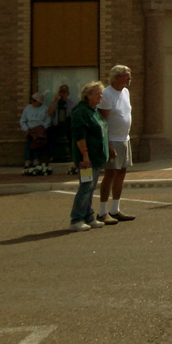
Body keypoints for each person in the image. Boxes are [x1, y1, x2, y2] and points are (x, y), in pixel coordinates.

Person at [68, 81, 110, 231]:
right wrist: (85, 156)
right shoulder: (80, 111)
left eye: (101, 94)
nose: (100, 96)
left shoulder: (94, 111)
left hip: (97, 158)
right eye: (97, 94)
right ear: (88, 95)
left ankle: (89, 216)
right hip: (87, 160)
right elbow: (79, 135)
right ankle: (76, 219)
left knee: (91, 187)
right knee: (86, 187)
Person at [98, 65, 136, 223]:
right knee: (110, 174)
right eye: (126, 76)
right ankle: (102, 211)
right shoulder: (107, 94)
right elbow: (102, 121)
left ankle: (115, 209)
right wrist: (108, 144)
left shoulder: (125, 92)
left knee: (121, 173)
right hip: (112, 140)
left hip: (124, 139)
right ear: (116, 77)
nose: (129, 79)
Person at [19, 91, 53, 176]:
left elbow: (48, 120)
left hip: (39, 129)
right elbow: (22, 120)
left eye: (35, 101)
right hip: (30, 129)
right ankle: (27, 160)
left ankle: (36, 159)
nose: (33, 102)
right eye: (32, 100)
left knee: (37, 143)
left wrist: (42, 129)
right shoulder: (27, 108)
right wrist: (26, 129)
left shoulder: (44, 108)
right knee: (28, 142)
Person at [49, 84, 76, 171]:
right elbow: (50, 113)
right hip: (56, 126)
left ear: (68, 93)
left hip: (66, 127)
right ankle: (52, 155)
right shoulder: (55, 102)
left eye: (64, 92)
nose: (62, 94)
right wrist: (55, 101)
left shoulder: (71, 104)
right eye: (61, 92)